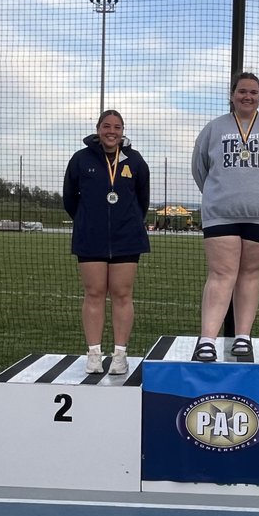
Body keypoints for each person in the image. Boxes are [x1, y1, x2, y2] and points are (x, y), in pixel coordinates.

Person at [190, 71, 259, 361]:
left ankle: (242, 337)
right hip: (221, 213)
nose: (247, 96)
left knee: (249, 273)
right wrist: (219, 193)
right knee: (222, 273)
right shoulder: (214, 129)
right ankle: (208, 340)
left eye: (253, 92)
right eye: (242, 91)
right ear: (232, 94)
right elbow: (200, 168)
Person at [62, 109, 150, 375]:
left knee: (122, 295)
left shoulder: (134, 161)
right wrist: (89, 220)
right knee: (94, 293)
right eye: (107, 126)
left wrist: (128, 221)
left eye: (117, 127)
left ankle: (120, 354)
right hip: (91, 238)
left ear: (123, 131)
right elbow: (69, 199)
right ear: (98, 129)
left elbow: (142, 199)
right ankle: (94, 353)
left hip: (126, 238)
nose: (112, 131)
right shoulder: (81, 159)